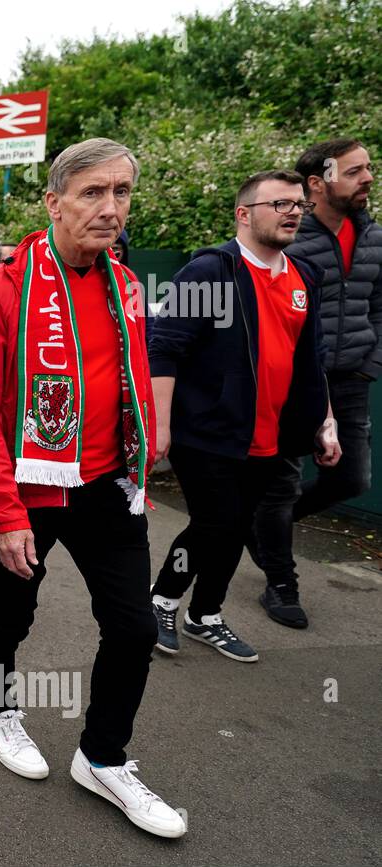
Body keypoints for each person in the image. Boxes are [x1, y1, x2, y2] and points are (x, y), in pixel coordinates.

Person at [0, 138, 185, 839]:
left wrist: (145, 443)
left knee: (135, 625)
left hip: (107, 486)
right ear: (53, 202)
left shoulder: (125, 286)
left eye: (121, 192)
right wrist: (2, 514)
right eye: (93, 193)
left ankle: (103, 756)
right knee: (10, 616)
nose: (110, 207)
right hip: (26, 490)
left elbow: (128, 376)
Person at [150, 171, 335, 662]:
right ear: (244, 213)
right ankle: (163, 599)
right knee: (215, 522)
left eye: (298, 204)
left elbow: (311, 359)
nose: (293, 211)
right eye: (279, 203)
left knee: (237, 525)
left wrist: (325, 419)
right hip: (206, 430)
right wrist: (161, 426)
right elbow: (164, 349)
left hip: (271, 434)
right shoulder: (210, 272)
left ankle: (204, 614)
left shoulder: (303, 277)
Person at [249, 139, 379, 627]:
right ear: (317, 184)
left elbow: (379, 306)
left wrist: (370, 362)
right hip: (293, 382)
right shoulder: (287, 238)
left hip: (350, 377)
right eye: (355, 171)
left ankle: (260, 527)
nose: (367, 177)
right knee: (280, 484)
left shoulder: (373, 238)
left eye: (368, 168)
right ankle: (281, 584)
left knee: (351, 478)